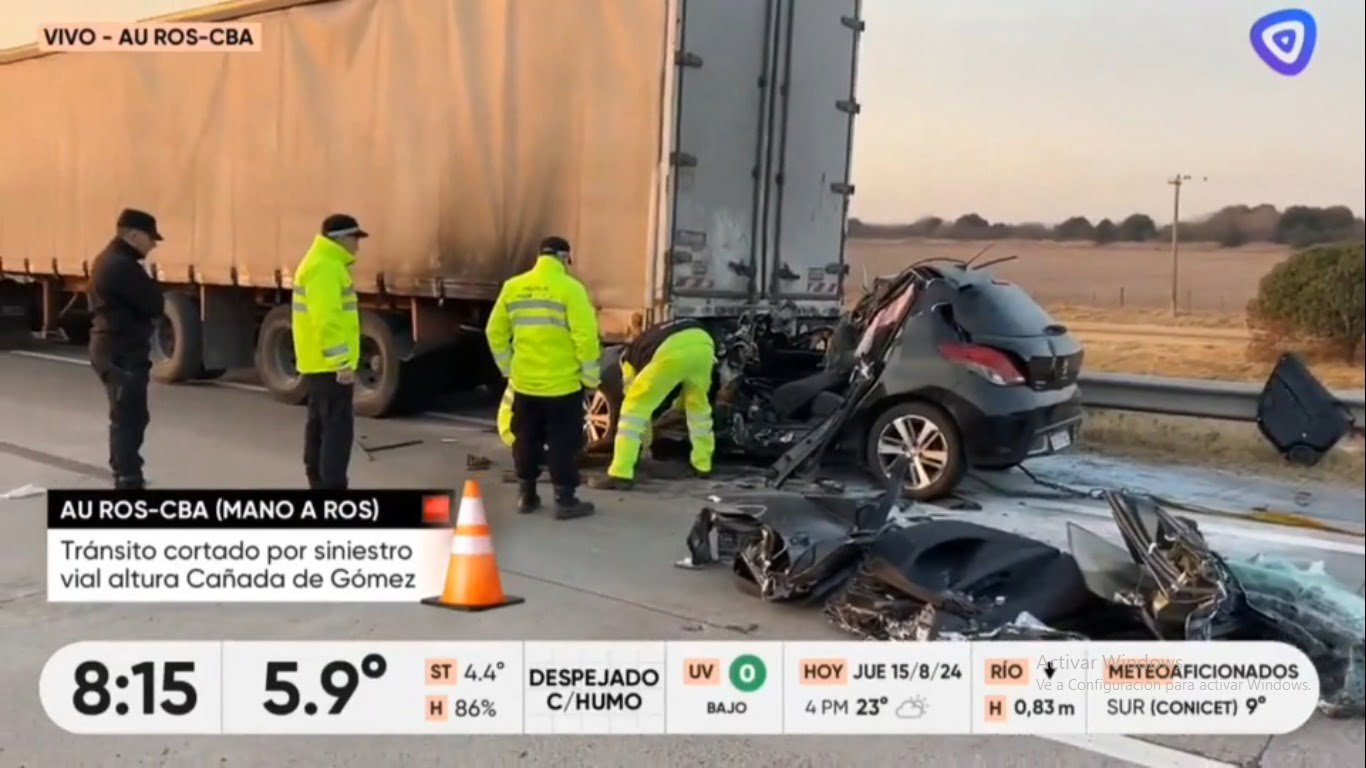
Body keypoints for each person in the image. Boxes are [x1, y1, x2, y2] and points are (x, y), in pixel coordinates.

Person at [485, 236, 599, 519]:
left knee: (525, 438)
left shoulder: (514, 287)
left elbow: (494, 332)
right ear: (564, 258)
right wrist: (591, 379)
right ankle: (565, 500)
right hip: (563, 385)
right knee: (563, 440)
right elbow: (585, 338)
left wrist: (508, 368)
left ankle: (527, 495)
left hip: (525, 383)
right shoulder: (571, 289)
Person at [88, 208, 166, 490]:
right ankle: (127, 477)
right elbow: (154, 304)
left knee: (128, 414)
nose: (153, 244)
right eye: (150, 238)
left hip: (115, 347)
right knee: (128, 416)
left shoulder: (112, 260)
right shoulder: (121, 265)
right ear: (133, 235)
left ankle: (126, 472)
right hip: (120, 351)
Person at [589, 318, 716, 490]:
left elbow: (639, 408)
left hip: (670, 351)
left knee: (632, 411)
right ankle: (703, 465)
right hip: (703, 344)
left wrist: (646, 444)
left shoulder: (628, 362)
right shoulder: (648, 340)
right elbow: (679, 400)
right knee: (698, 408)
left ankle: (621, 473)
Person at [292, 214, 365, 490]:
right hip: (329, 365)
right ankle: (331, 488)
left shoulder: (322, 263)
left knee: (320, 426)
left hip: (318, 362)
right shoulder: (326, 267)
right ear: (341, 238)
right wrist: (342, 363)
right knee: (336, 430)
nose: (358, 246)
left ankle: (319, 483)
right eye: (355, 238)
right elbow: (327, 319)